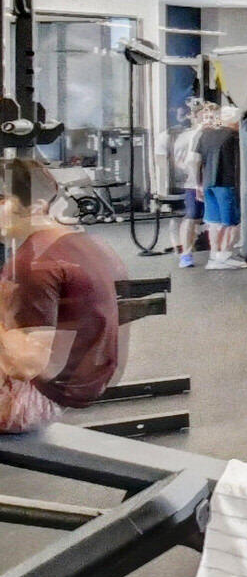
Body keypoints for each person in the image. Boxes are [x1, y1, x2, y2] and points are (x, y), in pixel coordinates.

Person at [0, 156, 129, 433]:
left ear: (36, 207)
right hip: (85, 381)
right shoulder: (73, 240)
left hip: (33, 401)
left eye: (1, 201)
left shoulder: (30, 265)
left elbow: (29, 366)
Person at [197, 104, 244, 269]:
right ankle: (225, 255)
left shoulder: (205, 135)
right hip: (226, 184)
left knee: (214, 222)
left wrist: (198, 184)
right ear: (236, 122)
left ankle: (214, 257)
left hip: (208, 183)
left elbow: (197, 161)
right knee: (231, 223)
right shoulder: (235, 137)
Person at [169, 98, 208, 268]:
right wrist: (195, 178)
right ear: (193, 116)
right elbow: (180, 162)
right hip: (194, 183)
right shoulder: (187, 137)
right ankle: (186, 254)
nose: (207, 117)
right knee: (192, 217)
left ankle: (218, 253)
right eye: (203, 115)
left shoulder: (212, 133)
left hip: (212, 181)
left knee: (204, 219)